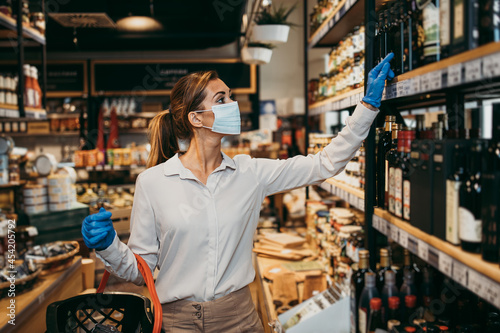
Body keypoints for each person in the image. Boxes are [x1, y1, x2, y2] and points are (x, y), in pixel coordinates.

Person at [82, 53, 395, 332]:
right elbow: (141, 271)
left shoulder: (250, 173)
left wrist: (366, 107)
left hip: (239, 319)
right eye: (221, 100)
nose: (233, 106)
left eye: (230, 97)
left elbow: (324, 164)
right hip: (175, 323)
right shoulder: (153, 183)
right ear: (196, 118)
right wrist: (109, 245)